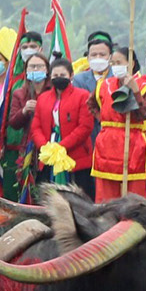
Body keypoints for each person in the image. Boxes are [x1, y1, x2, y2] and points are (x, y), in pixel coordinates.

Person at [29, 57, 94, 195]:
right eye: (55, 75)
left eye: (63, 75)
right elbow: (36, 126)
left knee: (79, 196)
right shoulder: (43, 97)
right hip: (49, 154)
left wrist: (62, 146)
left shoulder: (82, 96)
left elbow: (85, 127)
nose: (59, 78)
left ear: (71, 76)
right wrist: (46, 147)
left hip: (76, 156)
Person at [91, 51, 146, 202]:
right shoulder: (104, 84)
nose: (115, 67)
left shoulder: (145, 86)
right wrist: (104, 120)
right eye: (113, 63)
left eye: (119, 63)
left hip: (133, 142)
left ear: (130, 63)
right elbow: (91, 104)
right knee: (106, 195)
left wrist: (135, 91)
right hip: (107, 142)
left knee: (133, 194)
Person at [2, 54, 49, 198]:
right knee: (27, 185)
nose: (36, 69)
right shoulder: (20, 93)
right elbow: (13, 123)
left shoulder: (52, 92)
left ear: (47, 70)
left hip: (49, 145)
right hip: (28, 146)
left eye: (40, 66)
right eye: (32, 67)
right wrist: (24, 111)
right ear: (26, 70)